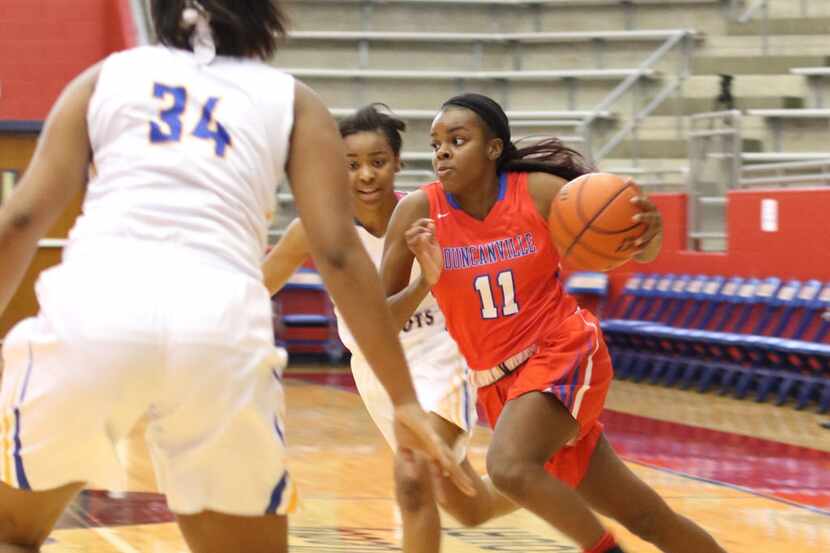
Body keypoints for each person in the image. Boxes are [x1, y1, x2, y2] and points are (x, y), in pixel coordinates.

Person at [0, 2, 471, 552]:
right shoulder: (293, 100)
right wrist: (405, 400)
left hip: (93, 311)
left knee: (13, 532)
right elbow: (340, 256)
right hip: (218, 328)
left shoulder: (104, 78)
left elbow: (20, 218)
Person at [380, 93, 728, 553]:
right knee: (647, 516)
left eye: (457, 140)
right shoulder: (420, 212)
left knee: (507, 466)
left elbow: (632, 245)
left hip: (562, 351)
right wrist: (427, 280)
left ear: (493, 148)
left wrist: (651, 234)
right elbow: (377, 319)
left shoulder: (537, 191)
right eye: (436, 143)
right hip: (499, 385)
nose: (442, 151)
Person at [263, 104, 516, 552]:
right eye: (351, 165)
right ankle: (556, 479)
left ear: (397, 163)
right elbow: (260, 284)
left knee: (415, 475)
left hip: (444, 355)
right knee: (467, 507)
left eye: (377, 162)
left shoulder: (434, 214)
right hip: (376, 368)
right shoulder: (317, 228)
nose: (365, 176)